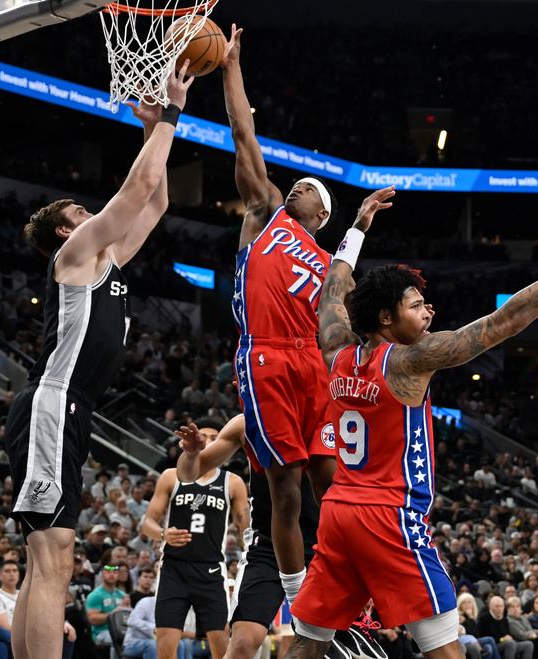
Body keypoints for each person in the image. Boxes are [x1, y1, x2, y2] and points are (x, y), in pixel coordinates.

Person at [259, 188, 538, 659]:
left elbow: (332, 294)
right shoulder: (409, 360)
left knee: (303, 650)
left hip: (338, 514)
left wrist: (358, 229)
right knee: (448, 657)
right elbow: (506, 320)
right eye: (416, 305)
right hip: (389, 516)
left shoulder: (337, 349)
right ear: (386, 318)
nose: (428, 313)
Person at [6, 61, 195, 659]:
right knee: (52, 554)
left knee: (43, 559)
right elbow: (137, 191)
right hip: (53, 402)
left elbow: (158, 197)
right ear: (67, 228)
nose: (96, 214)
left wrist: (151, 131)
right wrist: (168, 113)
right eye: (83, 210)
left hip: (71, 409)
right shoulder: (76, 252)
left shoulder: (108, 259)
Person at [219, 23, 339, 611]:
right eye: (295, 184)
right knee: (285, 495)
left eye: (308, 189)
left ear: (323, 215)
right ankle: (299, 606)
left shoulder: (331, 267)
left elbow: (344, 333)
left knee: (335, 490)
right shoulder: (266, 213)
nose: (296, 188)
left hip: (313, 364)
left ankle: (346, 590)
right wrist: (232, 67)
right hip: (264, 353)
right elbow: (244, 133)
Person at [176, 415, 379, 659]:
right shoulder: (247, 421)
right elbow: (189, 473)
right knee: (242, 644)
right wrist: (191, 454)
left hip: (325, 547)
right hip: (268, 548)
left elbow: (362, 493)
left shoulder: (334, 416)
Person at [142, 417, 249, 659]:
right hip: (173, 570)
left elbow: (247, 530)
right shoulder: (171, 476)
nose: (210, 442)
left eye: (216, 438)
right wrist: (163, 533)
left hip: (211, 570)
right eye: (206, 436)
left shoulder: (233, 482)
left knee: (222, 649)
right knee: (165, 647)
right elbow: (148, 523)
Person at [86, 563, 129, 659]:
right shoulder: (95, 595)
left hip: (122, 631)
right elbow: (92, 620)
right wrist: (114, 613)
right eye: (108, 572)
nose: (112, 575)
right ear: (102, 575)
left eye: (115, 572)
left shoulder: (123, 595)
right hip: (101, 632)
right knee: (117, 639)